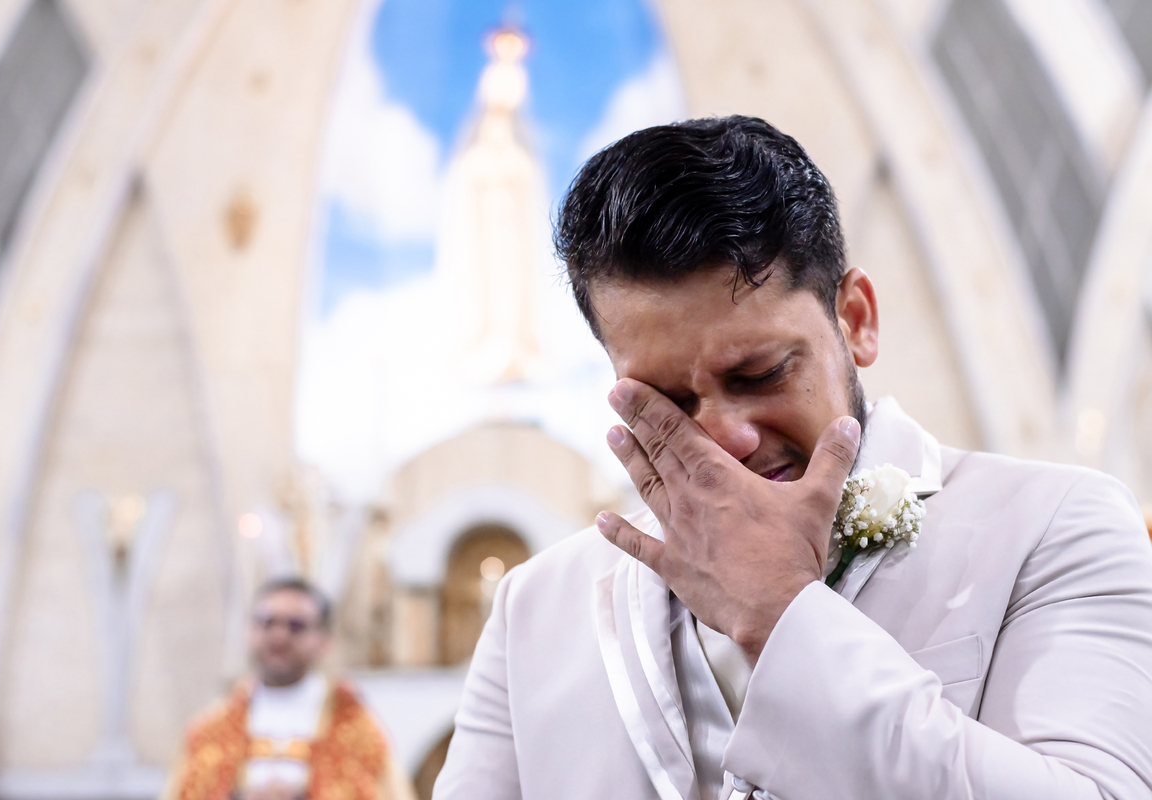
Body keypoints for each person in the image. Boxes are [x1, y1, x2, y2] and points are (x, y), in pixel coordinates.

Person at [433, 116, 1152, 799]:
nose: (727, 437)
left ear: (857, 321)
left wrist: (782, 613)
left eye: (761, 373)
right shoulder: (534, 607)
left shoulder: (1057, 527)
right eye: (667, 399)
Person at [164, 577, 412, 800]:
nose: (279, 636)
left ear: (324, 641)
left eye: (296, 626)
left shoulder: (355, 728)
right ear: (250, 632)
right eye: (268, 623)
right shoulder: (212, 730)